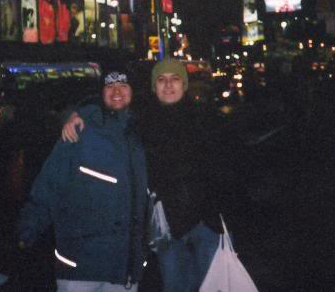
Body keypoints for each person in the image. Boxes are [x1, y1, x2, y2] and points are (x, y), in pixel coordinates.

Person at [63, 59, 227, 292]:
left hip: (206, 224)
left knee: (214, 287)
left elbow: (230, 168)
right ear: (153, 87)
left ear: (185, 84)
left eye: (175, 79)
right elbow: (110, 102)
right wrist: (77, 113)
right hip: (167, 227)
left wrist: (221, 211)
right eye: (161, 80)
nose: (168, 85)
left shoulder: (207, 119)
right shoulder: (141, 120)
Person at [16, 71, 148, 291]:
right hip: (81, 266)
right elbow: (51, 181)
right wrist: (29, 226)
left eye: (123, 85)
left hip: (123, 269)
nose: (117, 91)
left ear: (133, 91)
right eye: (109, 86)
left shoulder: (141, 134)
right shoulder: (81, 130)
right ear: (100, 93)